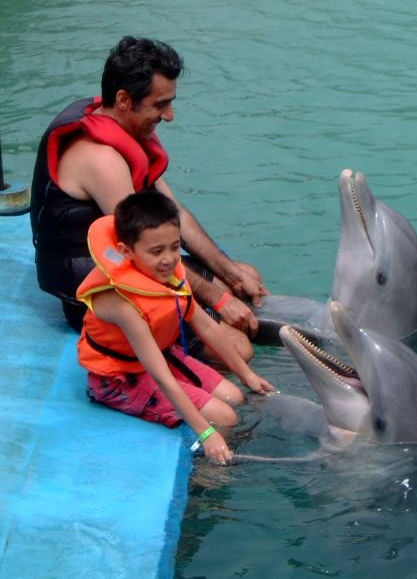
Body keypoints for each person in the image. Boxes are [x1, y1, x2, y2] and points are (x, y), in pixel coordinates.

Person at [30, 36, 265, 360]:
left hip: (137, 262)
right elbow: (143, 250)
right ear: (124, 100)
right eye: (160, 105)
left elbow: (174, 216)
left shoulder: (125, 127)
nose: (169, 115)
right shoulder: (101, 159)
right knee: (238, 350)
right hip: (97, 291)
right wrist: (218, 300)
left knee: (245, 276)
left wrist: (229, 274)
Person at [76, 191, 274, 464]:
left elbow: (205, 325)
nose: (169, 259)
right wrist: (206, 434)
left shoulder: (169, 275)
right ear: (125, 251)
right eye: (157, 251)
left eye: (174, 247)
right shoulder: (123, 306)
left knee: (235, 396)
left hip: (161, 357)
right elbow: (160, 376)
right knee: (225, 418)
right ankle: (210, 475)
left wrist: (247, 374)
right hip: (120, 379)